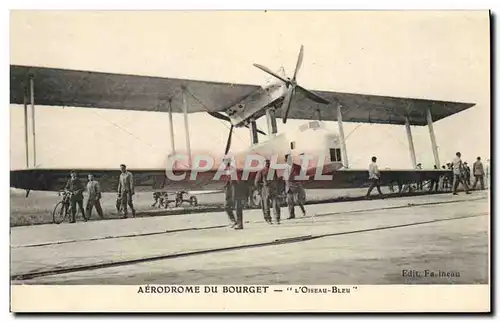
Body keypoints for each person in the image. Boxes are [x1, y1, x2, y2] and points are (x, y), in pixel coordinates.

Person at [223, 158, 247, 230]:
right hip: (229, 188)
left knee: (238, 207)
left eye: (225, 161)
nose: (224, 162)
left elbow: (239, 180)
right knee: (226, 206)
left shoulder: (234, 169)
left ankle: (240, 224)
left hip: (236, 188)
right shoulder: (226, 169)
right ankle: (234, 221)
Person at [255, 159, 281, 225]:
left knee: (272, 205)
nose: (267, 164)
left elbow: (276, 179)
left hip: (269, 189)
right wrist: (260, 190)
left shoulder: (270, 170)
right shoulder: (262, 171)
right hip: (266, 189)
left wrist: (260, 190)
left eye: (268, 163)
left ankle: (274, 219)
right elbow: (257, 182)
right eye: (266, 163)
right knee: (268, 205)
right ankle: (272, 219)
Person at [284, 155, 306, 219]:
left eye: (289, 159)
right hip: (288, 187)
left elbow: (301, 176)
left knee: (297, 201)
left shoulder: (297, 167)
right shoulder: (285, 168)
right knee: (289, 201)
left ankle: (303, 210)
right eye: (287, 160)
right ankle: (291, 215)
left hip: (296, 186)